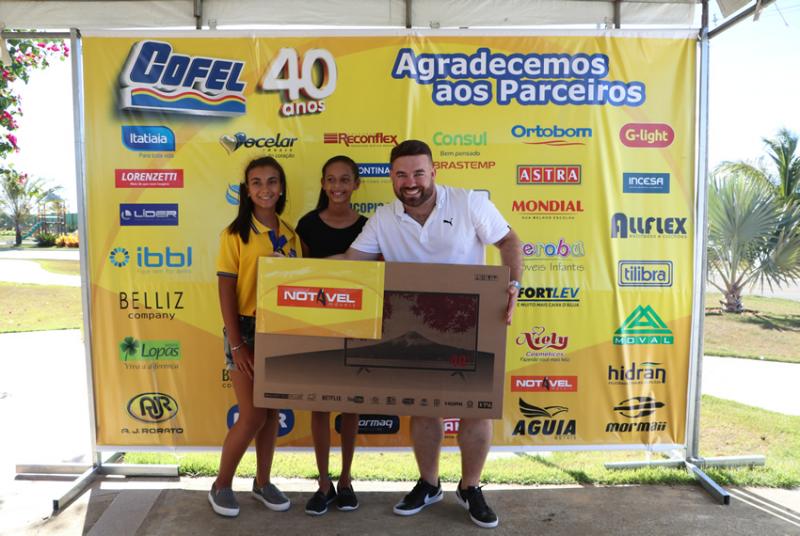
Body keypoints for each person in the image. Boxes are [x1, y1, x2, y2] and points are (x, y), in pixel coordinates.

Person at [342, 140, 522, 529]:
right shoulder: (383, 218)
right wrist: (287, 271)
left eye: (418, 173)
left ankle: (470, 487)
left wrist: (513, 285)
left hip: (473, 321)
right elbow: (351, 263)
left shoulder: (469, 202)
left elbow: (508, 241)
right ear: (391, 177)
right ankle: (429, 484)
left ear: (434, 172)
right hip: (414, 327)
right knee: (424, 409)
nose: (411, 182)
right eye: (401, 174)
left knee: (476, 411)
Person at [209, 156, 301, 517]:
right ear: (247, 190)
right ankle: (221, 484)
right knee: (251, 416)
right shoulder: (235, 235)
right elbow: (225, 291)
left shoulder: (291, 235)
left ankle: (263, 483)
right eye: (257, 182)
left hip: (280, 329)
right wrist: (237, 343)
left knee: (272, 413)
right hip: (245, 330)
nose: (265, 189)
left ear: (282, 188)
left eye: (272, 181)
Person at [296, 155, 367, 515]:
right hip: (316, 327)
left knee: (352, 405)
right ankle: (323, 484)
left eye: (344, 179)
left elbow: (374, 271)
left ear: (356, 184)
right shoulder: (307, 224)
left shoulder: (369, 226)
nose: (337, 186)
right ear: (323, 184)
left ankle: (346, 480)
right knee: (320, 406)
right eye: (331, 180)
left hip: (357, 325)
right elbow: (298, 273)